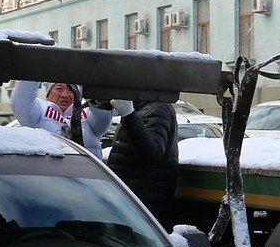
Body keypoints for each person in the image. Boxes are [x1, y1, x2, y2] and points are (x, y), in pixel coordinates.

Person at [105, 98, 179, 226]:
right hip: (133, 200)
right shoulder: (142, 108)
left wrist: (129, 116)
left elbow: (152, 153)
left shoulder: (157, 109)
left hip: (143, 203)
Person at [10, 79, 112, 155]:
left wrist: (84, 78)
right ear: (48, 94)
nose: (65, 95)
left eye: (71, 90)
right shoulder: (38, 111)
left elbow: (102, 114)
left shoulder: (88, 114)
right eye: (59, 89)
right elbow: (22, 100)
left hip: (87, 176)